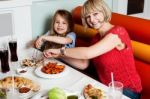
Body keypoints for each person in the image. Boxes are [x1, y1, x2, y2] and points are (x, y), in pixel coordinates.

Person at [43, 0, 142, 99]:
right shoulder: (96, 38)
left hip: (127, 91)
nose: (92, 19)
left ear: (104, 11)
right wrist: (59, 56)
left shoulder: (118, 32)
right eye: (88, 16)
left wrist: (60, 51)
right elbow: (83, 64)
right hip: (104, 89)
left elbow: (88, 53)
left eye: (95, 14)